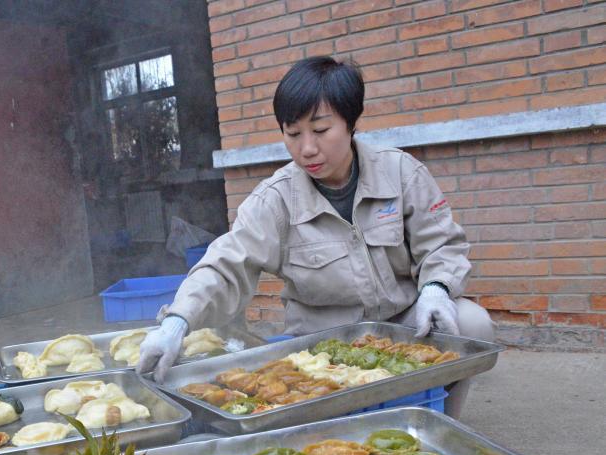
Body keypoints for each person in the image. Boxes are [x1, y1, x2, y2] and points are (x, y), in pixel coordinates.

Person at [136, 55, 494, 419]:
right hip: (322, 344)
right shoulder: (275, 199)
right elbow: (225, 265)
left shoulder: (401, 173)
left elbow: (441, 243)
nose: (306, 148)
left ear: (350, 124)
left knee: (473, 323)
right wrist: (176, 323)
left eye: (320, 130)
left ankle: (443, 423)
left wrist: (436, 289)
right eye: (293, 134)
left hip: (402, 326)